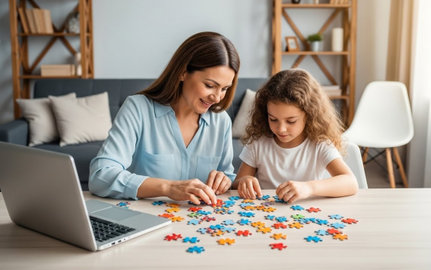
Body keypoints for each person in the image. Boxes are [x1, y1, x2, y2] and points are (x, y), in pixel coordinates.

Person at [89, 32, 240, 205]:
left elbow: (226, 178)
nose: (217, 97)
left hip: (203, 226)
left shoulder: (221, 122)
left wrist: (224, 181)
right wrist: (168, 188)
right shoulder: (138, 109)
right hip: (146, 221)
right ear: (183, 73)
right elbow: (100, 176)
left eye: (225, 89)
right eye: (210, 86)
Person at [232, 69, 358, 203]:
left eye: (291, 121)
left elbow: (350, 182)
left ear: (309, 115)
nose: (281, 129)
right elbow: (237, 183)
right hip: (265, 216)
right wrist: (244, 182)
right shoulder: (258, 142)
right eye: (273, 119)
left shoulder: (319, 143)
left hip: (307, 216)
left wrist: (309, 188)